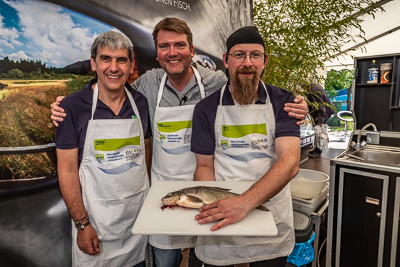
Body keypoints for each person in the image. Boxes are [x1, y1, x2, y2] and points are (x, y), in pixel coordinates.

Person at [51, 18, 308, 267]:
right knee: (164, 261)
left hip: (214, 195)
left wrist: (299, 104)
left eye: (180, 45)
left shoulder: (216, 83)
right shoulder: (144, 90)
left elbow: (248, 84)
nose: (173, 53)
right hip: (169, 197)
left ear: (192, 50)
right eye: (164, 46)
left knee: (202, 259)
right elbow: (116, 105)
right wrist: (64, 107)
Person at [190, 26, 300, 266]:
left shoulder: (285, 102)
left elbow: (289, 163)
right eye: (239, 55)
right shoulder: (206, 109)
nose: (247, 62)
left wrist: (244, 203)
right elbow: (204, 166)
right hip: (222, 218)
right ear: (226, 60)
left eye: (255, 55)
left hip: (270, 218)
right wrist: (213, 209)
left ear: (265, 60)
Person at [55, 31, 151, 267]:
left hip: (136, 226)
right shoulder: (72, 106)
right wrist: (82, 224)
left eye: (121, 60)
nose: (114, 68)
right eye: (106, 59)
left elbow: (146, 155)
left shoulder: (141, 103)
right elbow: (67, 171)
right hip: (96, 228)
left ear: (130, 65)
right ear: (93, 63)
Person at [305, 83, 334, 158]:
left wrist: (320, 121)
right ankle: (317, 149)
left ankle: (318, 151)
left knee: (319, 132)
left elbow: (321, 107)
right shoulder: (314, 86)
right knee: (319, 132)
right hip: (322, 113)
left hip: (322, 113)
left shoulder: (314, 90)